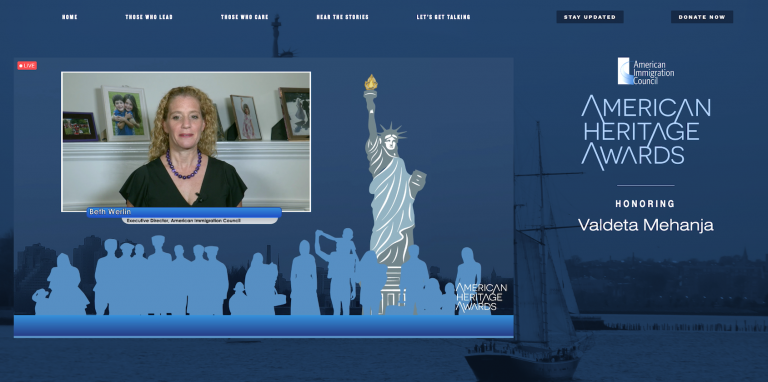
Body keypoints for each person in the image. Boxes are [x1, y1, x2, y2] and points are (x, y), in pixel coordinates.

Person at [120, 86, 247, 207]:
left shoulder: (226, 174)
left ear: (203, 124)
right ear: (164, 125)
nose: (186, 124)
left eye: (194, 116)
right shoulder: (142, 178)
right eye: (176, 117)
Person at [363, 91, 426, 267]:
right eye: (388, 139)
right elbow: (372, 133)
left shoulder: (400, 163)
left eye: (394, 140)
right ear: (382, 142)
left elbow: (408, 191)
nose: (392, 142)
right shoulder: (378, 160)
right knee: (381, 234)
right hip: (384, 208)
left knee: (403, 235)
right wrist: (371, 109)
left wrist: (415, 185)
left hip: (400, 210)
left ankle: (401, 265)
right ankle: (379, 266)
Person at [314, 229, 358, 315]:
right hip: (344, 285)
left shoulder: (334, 256)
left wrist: (317, 237)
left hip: (336, 285)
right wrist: (354, 290)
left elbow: (318, 251)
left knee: (337, 311)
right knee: (345, 311)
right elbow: (352, 276)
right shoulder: (350, 259)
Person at [289, 240, 320, 315]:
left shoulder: (297, 260)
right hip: (306, 284)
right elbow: (314, 275)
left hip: (301, 284)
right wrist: (314, 288)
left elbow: (292, 277)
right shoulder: (310, 258)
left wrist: (293, 289)